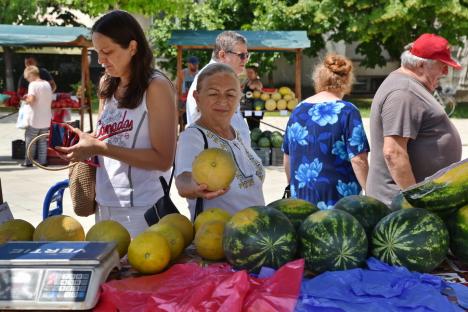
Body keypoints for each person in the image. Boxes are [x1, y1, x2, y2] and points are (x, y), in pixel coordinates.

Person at [55, 10, 177, 238]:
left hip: (143, 209)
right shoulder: (107, 84)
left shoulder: (156, 86)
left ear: (132, 47)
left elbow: (163, 159)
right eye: (97, 52)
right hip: (103, 203)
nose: (101, 61)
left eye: (107, 52)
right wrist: (83, 143)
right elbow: (106, 137)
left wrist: (100, 148)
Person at [367, 33, 462, 205]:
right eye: (442, 66)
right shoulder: (404, 92)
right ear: (420, 65)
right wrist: (415, 203)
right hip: (398, 206)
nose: (446, 72)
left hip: (404, 203)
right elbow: (393, 153)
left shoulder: (409, 86)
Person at [175, 63, 265, 219]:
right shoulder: (193, 137)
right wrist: (195, 185)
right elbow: (183, 181)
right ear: (197, 97)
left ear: (239, 98)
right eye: (213, 93)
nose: (222, 100)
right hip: (219, 237)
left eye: (230, 94)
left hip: (254, 235)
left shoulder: (237, 133)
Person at [282, 54, 369, 209]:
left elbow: (288, 157)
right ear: (347, 81)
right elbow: (358, 159)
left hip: (302, 198)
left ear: (319, 79)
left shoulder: (298, 110)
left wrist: (292, 187)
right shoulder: (347, 111)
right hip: (339, 200)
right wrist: (370, 191)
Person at [185, 31, 251, 145]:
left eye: (247, 55)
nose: (245, 60)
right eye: (241, 55)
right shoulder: (210, 80)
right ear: (222, 55)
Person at [21, 65, 53, 167]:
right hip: (46, 118)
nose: (27, 80)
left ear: (31, 74)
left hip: (34, 118)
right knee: (43, 141)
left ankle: (29, 161)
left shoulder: (33, 85)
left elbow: (32, 100)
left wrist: (24, 100)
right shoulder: (47, 84)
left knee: (30, 141)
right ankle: (43, 161)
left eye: (27, 78)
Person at [242, 63, 263, 130]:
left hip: (256, 109)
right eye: (247, 72)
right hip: (248, 108)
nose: (248, 74)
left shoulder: (257, 82)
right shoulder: (247, 82)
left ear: (256, 74)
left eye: (251, 72)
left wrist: (250, 83)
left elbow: (256, 86)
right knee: (251, 128)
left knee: (255, 128)